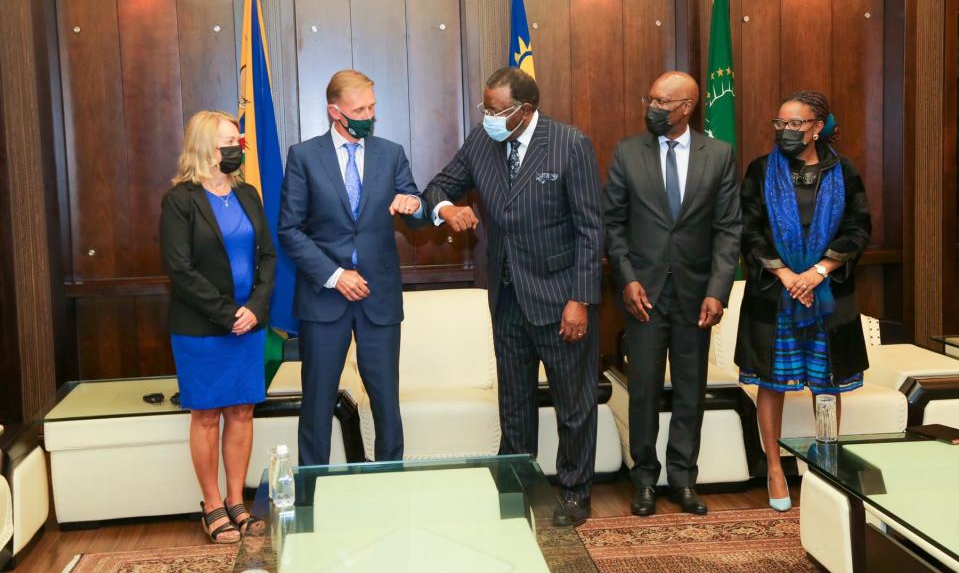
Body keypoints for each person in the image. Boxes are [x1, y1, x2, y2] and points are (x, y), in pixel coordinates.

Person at [423, 67, 604, 527]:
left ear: (524, 111)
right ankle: (517, 485)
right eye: (485, 108)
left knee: (574, 403)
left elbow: (590, 229)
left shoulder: (569, 144)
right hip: (506, 298)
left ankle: (575, 491)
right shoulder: (483, 142)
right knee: (515, 402)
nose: (487, 117)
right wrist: (447, 208)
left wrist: (580, 299)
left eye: (495, 110)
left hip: (561, 297)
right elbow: (438, 187)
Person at [604, 71, 742, 517]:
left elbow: (727, 230)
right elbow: (613, 225)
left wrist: (718, 291)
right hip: (642, 294)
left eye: (663, 102)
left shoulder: (718, 155)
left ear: (687, 107)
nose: (654, 107)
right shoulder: (628, 152)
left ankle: (683, 479)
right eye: (651, 98)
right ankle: (644, 479)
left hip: (695, 295)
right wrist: (626, 279)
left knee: (689, 391)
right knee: (642, 389)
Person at [278, 69, 428, 466]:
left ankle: (390, 484)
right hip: (324, 298)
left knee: (386, 402)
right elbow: (289, 230)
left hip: (379, 298)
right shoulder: (304, 156)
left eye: (372, 107)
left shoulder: (390, 152)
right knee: (317, 402)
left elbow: (411, 204)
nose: (368, 115)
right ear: (335, 112)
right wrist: (335, 275)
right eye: (359, 109)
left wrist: (415, 205)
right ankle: (313, 496)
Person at [735, 91, 871, 512]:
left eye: (796, 124)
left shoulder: (843, 170)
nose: (787, 131)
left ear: (817, 127)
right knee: (771, 383)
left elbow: (859, 227)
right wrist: (787, 274)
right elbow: (749, 229)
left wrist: (818, 272)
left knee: (827, 384)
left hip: (828, 293)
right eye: (780, 124)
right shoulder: (761, 170)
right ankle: (776, 468)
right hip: (775, 294)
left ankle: (826, 468)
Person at [160, 110, 276, 543]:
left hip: (250, 325)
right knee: (207, 415)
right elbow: (180, 269)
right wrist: (228, 313)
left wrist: (255, 308)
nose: (239, 145)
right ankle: (211, 505)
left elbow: (267, 256)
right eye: (232, 139)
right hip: (201, 329)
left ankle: (235, 500)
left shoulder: (248, 195)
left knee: (242, 412)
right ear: (207, 146)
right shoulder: (180, 201)